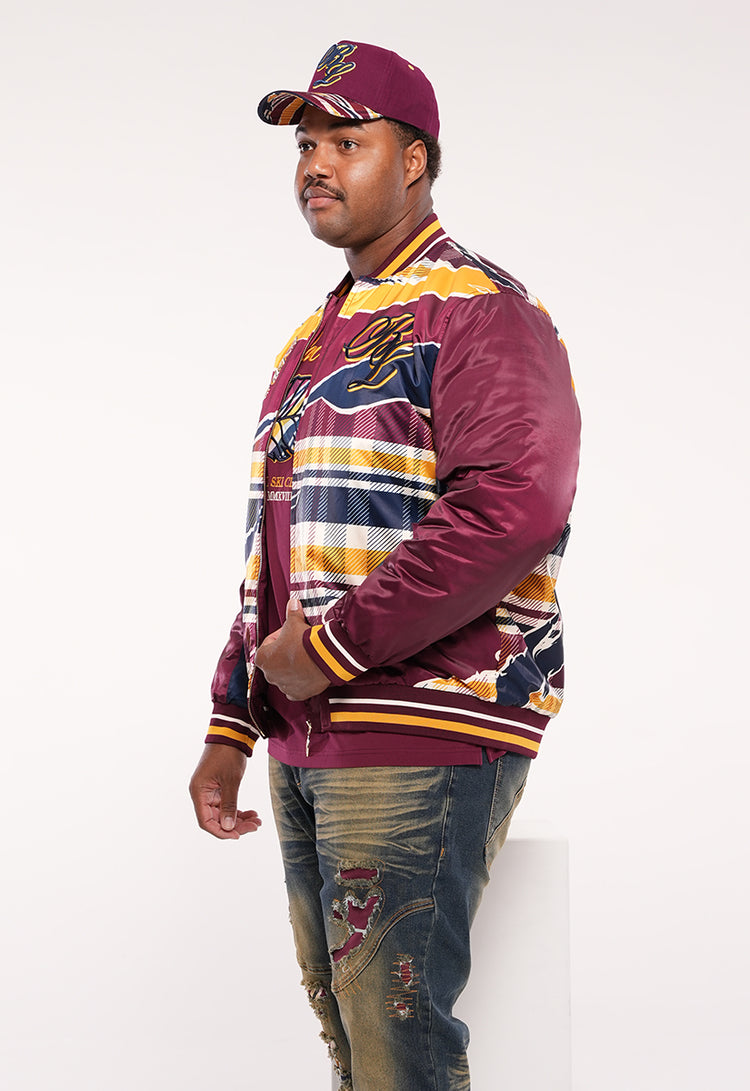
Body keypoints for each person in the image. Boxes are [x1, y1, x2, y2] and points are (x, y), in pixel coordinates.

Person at [189, 39, 581, 1091]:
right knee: (351, 1036)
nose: (316, 164)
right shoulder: (313, 339)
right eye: (305, 146)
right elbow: (278, 551)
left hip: (425, 719)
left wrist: (329, 649)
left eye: (346, 141)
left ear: (415, 161)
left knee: (397, 1043)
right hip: (311, 731)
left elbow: (512, 509)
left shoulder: (479, 307)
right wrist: (233, 722)